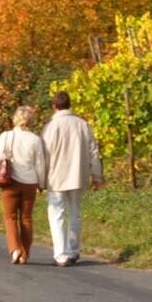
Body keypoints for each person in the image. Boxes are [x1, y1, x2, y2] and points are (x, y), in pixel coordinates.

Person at [40, 90, 103, 267]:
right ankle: (73, 250)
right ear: (70, 105)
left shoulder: (50, 127)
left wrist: (40, 179)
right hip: (78, 174)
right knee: (75, 213)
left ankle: (60, 254)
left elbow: (43, 155)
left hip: (56, 176)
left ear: (54, 106)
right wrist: (97, 175)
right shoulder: (82, 124)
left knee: (56, 214)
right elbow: (94, 152)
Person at [0, 106, 48, 265]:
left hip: (10, 183)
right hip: (30, 183)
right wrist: (42, 184)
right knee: (27, 218)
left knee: (10, 217)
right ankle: (25, 254)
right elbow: (40, 164)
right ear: (31, 121)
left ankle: (15, 249)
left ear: (15, 118)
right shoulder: (36, 140)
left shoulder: (6, 136)